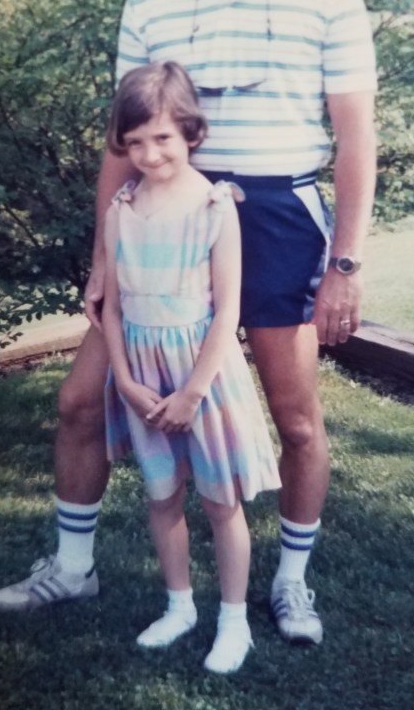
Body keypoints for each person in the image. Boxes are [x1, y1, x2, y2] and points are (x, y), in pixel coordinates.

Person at [0, 0, 378, 647]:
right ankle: (74, 567)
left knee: (296, 418)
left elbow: (356, 137)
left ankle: (292, 583)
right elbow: (123, 138)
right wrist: (103, 254)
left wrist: (346, 263)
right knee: (79, 400)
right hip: (163, 216)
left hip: (276, 215)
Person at [100, 61, 280, 673]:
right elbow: (113, 309)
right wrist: (125, 380)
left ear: (190, 132)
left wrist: (193, 392)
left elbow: (228, 310)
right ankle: (179, 606)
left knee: (221, 501)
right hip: (142, 374)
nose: (149, 154)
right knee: (162, 495)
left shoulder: (214, 206)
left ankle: (234, 621)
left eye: (162, 138)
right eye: (135, 142)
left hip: (203, 375)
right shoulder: (121, 209)